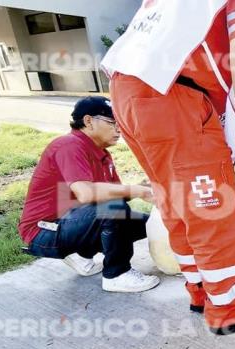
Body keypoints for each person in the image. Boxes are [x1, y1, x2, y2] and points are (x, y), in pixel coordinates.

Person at [102, 0, 235, 334]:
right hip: (174, 98)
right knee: (213, 210)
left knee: (176, 203)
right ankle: (230, 309)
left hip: (128, 90)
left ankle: (200, 293)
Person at [19, 96, 159, 293]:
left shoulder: (102, 154)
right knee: (113, 210)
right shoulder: (69, 145)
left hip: (71, 221)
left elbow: (114, 195)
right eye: (112, 123)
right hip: (43, 230)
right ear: (88, 121)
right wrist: (137, 191)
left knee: (149, 224)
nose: (119, 129)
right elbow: (86, 193)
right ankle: (116, 275)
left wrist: (142, 187)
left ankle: (82, 254)